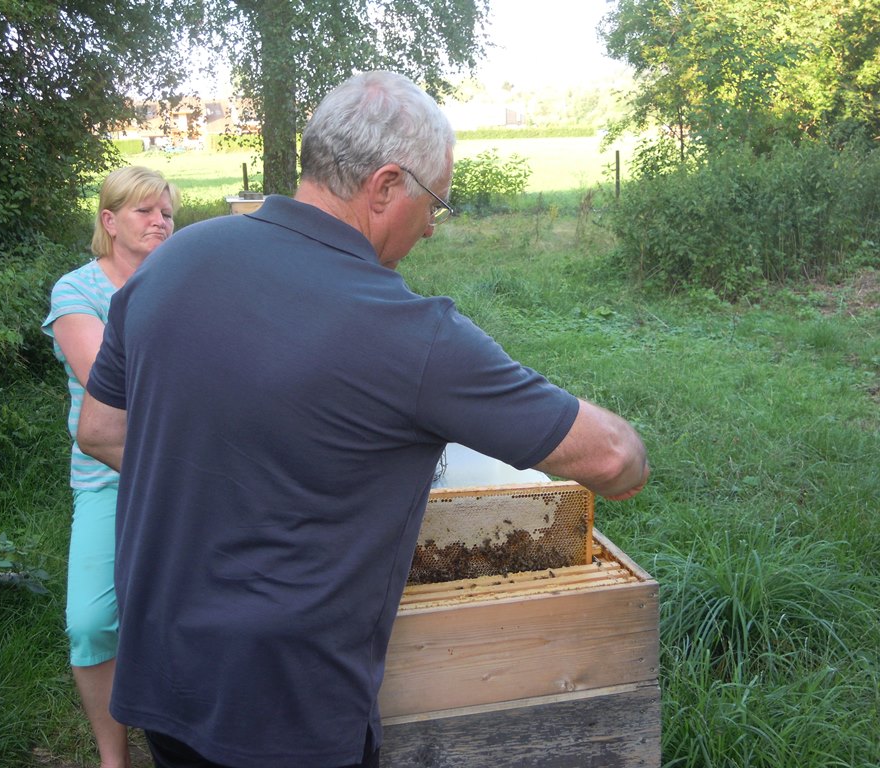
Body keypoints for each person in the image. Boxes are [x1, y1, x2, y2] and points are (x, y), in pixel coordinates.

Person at [77, 71, 649, 768]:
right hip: (288, 708)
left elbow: (100, 429)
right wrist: (634, 450)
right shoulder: (412, 334)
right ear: (385, 186)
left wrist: (230, 481)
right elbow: (612, 459)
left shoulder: (174, 259)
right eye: (434, 202)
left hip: (162, 672)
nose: (432, 225)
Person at [42, 166, 180, 768]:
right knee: (92, 622)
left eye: (167, 213)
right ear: (110, 221)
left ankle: (184, 735)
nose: (159, 222)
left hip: (185, 468)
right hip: (111, 473)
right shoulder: (77, 291)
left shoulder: (183, 282)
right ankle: (113, 755)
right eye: (144, 211)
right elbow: (109, 382)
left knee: (189, 611)